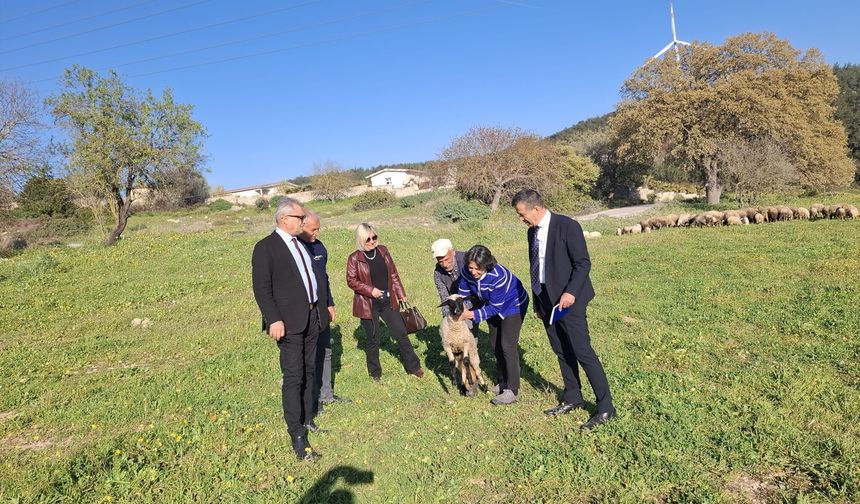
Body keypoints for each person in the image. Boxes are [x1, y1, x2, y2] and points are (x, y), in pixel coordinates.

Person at [512, 188, 616, 430]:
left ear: (536, 209)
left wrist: (570, 293)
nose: (521, 219)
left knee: (582, 352)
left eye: (521, 214)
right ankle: (573, 397)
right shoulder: (532, 233)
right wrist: (539, 302)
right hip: (547, 301)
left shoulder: (567, 226)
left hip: (571, 300)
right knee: (561, 350)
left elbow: (583, 263)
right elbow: (536, 268)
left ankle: (606, 407)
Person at [252, 197, 327, 461]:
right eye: (299, 218)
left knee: (309, 370)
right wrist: (273, 319)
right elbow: (262, 288)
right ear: (285, 219)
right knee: (293, 377)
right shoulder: (266, 248)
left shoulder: (302, 245)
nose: (303, 222)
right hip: (288, 323)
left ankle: (307, 419)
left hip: (311, 318)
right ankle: (297, 435)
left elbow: (313, 279)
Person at [346, 223, 424, 381]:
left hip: (388, 300)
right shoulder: (354, 258)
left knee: (401, 333)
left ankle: (414, 367)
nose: (372, 241)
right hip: (368, 305)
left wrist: (401, 293)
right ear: (361, 240)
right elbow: (351, 280)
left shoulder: (383, 251)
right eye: (368, 239)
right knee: (373, 339)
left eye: (374, 237)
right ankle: (375, 373)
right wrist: (370, 290)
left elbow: (393, 274)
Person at [456, 245, 529, 405]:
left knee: (507, 346)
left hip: (513, 305)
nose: (473, 272)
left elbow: (496, 308)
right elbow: (463, 292)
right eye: (471, 267)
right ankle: (502, 381)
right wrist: (462, 306)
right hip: (490, 303)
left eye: (478, 269)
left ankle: (512, 390)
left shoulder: (498, 276)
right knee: (495, 343)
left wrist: (471, 314)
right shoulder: (467, 272)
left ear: (487, 266)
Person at [298, 210, 351, 421]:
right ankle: (311, 400)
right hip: (304, 313)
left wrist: (330, 303)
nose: (317, 233)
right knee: (308, 358)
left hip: (322, 309)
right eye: (313, 229)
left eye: (318, 228)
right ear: (301, 227)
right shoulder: (296, 249)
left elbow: (324, 278)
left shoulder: (320, 247)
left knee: (326, 351)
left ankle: (326, 394)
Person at [431, 238, 479, 338]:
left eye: (446, 259)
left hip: (479, 298)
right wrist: (447, 320)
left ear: (453, 252)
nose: (444, 264)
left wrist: (462, 312)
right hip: (458, 305)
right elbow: (445, 298)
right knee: (462, 336)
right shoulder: (438, 273)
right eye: (440, 261)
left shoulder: (467, 262)